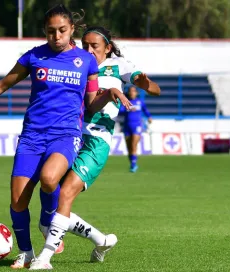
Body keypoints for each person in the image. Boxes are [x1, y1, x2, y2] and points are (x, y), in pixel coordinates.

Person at [0, 5, 127, 269]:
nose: (56, 36)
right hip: (32, 136)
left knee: (49, 178)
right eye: (51, 31)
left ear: (71, 30)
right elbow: (1, 85)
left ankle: (47, 223)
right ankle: (27, 253)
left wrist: (108, 94)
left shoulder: (86, 61)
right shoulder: (34, 57)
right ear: (44, 31)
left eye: (62, 31)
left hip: (65, 135)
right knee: (18, 201)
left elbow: (90, 103)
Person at [29, 26, 160, 270]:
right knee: (51, 195)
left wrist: (143, 82)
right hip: (69, 135)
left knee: (65, 194)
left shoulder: (118, 66)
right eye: (85, 45)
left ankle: (44, 258)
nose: (89, 50)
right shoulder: (76, 63)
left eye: (95, 46)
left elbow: (155, 89)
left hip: (96, 140)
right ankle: (102, 240)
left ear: (108, 48)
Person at [120, 86, 153, 172]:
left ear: (136, 93)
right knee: (129, 147)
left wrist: (149, 117)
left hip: (137, 126)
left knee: (133, 145)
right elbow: (120, 111)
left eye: (133, 91)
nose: (132, 93)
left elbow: (145, 110)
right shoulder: (126, 102)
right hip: (127, 126)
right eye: (130, 91)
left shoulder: (140, 102)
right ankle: (132, 163)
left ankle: (134, 165)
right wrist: (129, 109)